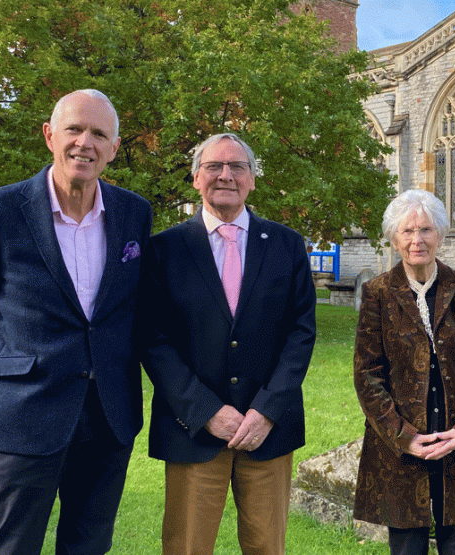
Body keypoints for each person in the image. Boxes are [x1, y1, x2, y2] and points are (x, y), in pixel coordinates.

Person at [0, 89, 152, 555]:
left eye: (99, 134)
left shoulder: (134, 213)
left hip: (108, 416)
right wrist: (5, 375)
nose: (85, 143)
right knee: (10, 547)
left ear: (114, 148)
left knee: (88, 546)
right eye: (74, 129)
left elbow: (130, 309)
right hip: (20, 414)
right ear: (49, 135)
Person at [139, 133, 316, 555]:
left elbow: (301, 332)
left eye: (238, 167)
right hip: (193, 432)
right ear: (196, 178)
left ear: (252, 179)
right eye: (214, 166)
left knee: (266, 547)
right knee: (186, 547)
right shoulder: (165, 249)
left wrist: (266, 411)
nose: (226, 175)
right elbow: (152, 337)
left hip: (268, 431)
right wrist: (206, 411)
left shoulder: (287, 245)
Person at [353, 189, 455, 555]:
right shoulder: (377, 293)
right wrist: (403, 436)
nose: (417, 240)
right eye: (407, 231)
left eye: (426, 230)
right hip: (401, 450)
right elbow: (367, 375)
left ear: (441, 235)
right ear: (394, 238)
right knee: (406, 549)